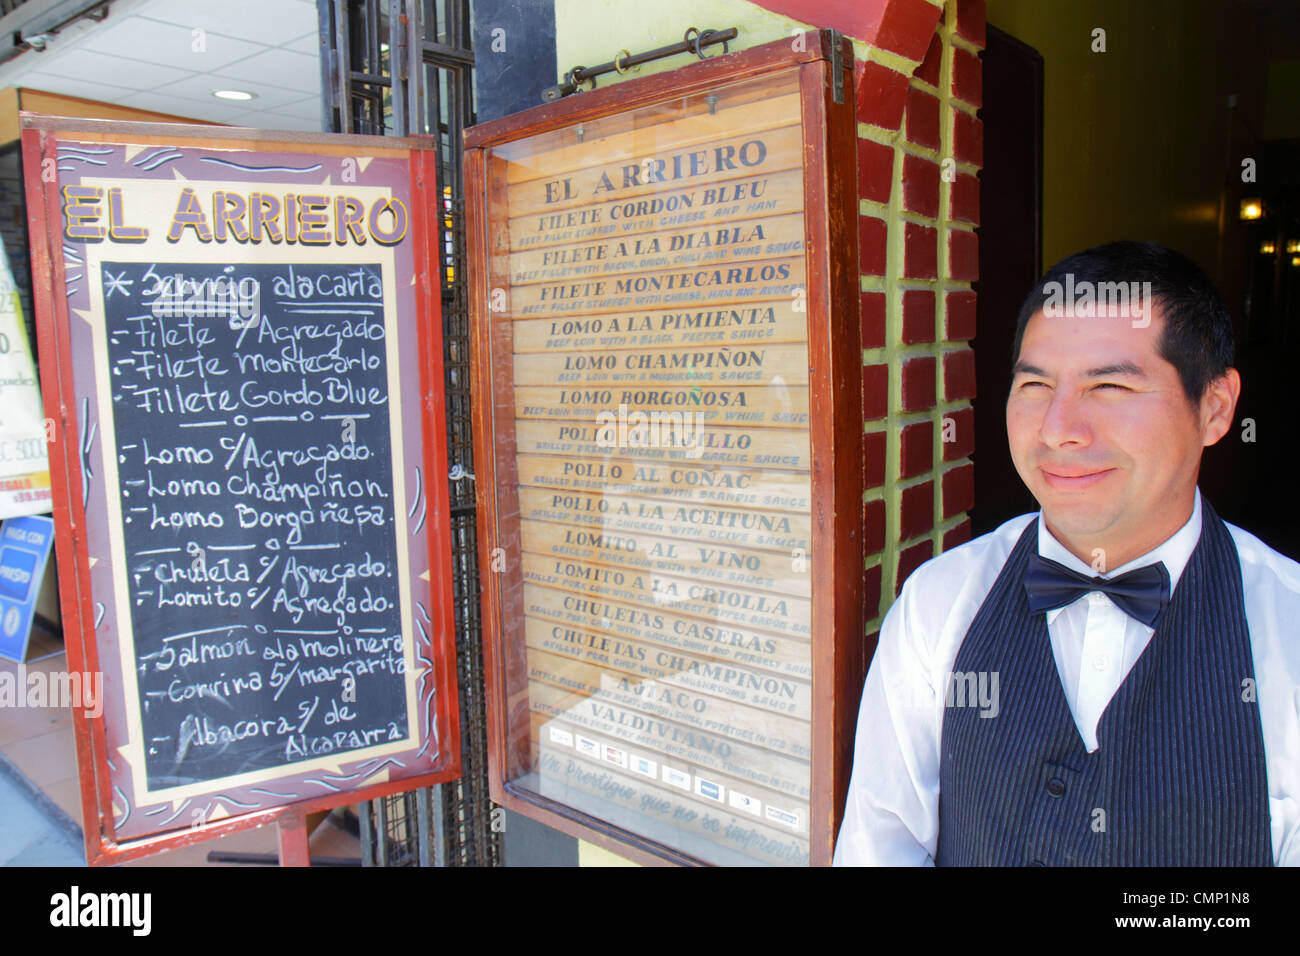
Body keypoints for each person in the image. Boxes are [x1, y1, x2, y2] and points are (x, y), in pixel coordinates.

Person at [833, 241, 1299, 866]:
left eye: (1108, 384)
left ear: (1215, 408)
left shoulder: (1286, 628)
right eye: (1034, 384)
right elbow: (881, 847)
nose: (1058, 428)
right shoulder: (941, 602)